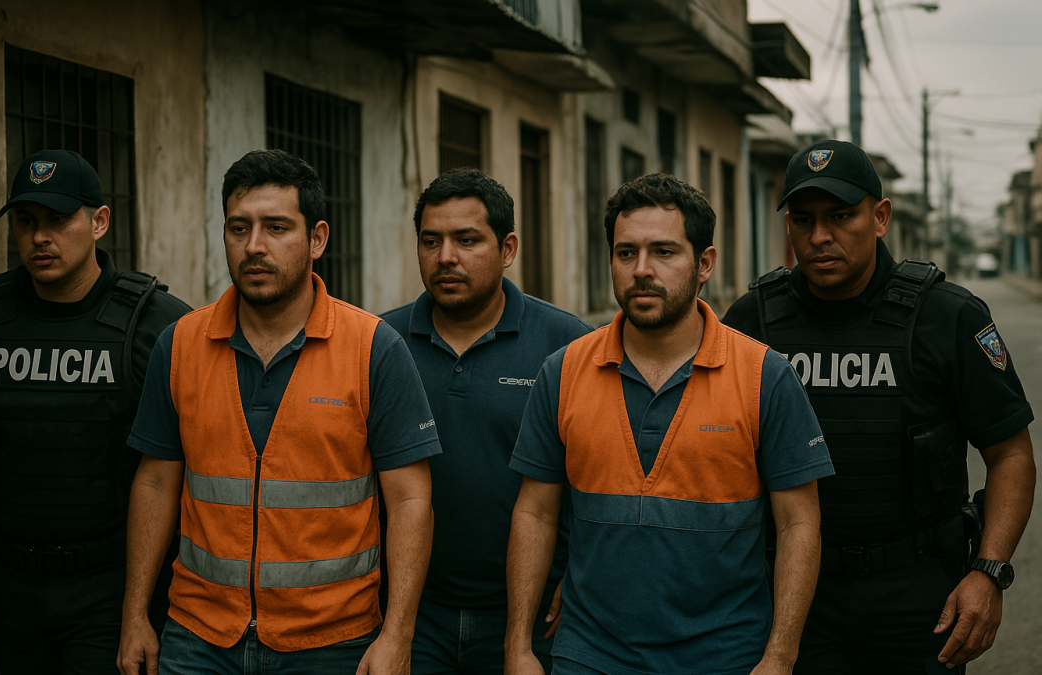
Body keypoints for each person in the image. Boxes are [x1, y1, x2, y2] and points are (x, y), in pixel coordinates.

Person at [116, 149, 441, 675]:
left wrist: (397, 635)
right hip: (198, 639)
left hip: (333, 642)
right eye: (238, 228)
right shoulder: (180, 346)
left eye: (276, 227)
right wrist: (135, 615)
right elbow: (155, 483)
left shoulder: (372, 348)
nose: (254, 247)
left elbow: (410, 500)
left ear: (317, 239)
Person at [722, 139, 1036, 673]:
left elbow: (1011, 456)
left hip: (918, 598)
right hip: (793, 596)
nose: (820, 236)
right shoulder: (753, 321)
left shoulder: (948, 317)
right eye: (804, 220)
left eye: (841, 216)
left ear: (881, 216)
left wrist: (988, 572)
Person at [505, 173, 835, 675]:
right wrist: (518, 647)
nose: (641, 270)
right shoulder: (564, 371)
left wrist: (780, 658)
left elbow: (799, 523)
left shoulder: (763, 376)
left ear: (704, 264)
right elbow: (536, 513)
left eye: (664, 252)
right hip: (590, 654)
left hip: (725, 656)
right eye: (625, 253)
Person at [0, 149, 191, 674]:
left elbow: (193, 464)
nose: (39, 237)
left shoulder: (158, 324)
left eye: (57, 220)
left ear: (99, 222)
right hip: (12, 587)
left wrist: (147, 606)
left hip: (112, 589)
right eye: (26, 222)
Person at [380, 169, 591, 674]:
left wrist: (583, 571)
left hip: (531, 616)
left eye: (466, 240)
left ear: (509, 248)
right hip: (411, 614)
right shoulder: (381, 344)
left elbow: (601, 472)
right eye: (430, 241)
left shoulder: (568, 346)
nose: (445, 257)